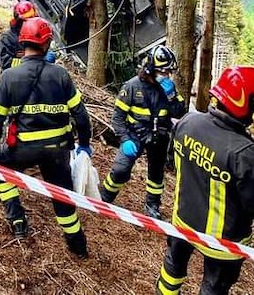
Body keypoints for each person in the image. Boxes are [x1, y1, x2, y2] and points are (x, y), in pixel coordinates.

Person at [0, 16, 93, 258]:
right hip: (57, 151)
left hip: (21, 148)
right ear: (46, 44)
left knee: (2, 172)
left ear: (23, 43)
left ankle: (17, 219)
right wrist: (84, 145)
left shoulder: (10, 77)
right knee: (63, 197)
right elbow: (81, 116)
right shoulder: (61, 76)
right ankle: (77, 246)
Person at [156, 66, 254, 295]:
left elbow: (171, 161)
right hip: (222, 242)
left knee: (172, 270)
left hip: (183, 220)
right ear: (243, 103)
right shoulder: (244, 152)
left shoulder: (188, 121)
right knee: (214, 288)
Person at [100, 44, 186, 219]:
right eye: (163, 72)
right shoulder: (132, 87)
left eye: (169, 72)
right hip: (134, 135)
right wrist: (125, 139)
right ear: (151, 69)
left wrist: (172, 96)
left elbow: (180, 113)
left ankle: (152, 205)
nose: (167, 76)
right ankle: (105, 197)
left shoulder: (168, 89)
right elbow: (117, 117)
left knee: (156, 174)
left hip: (159, 136)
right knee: (120, 169)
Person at [0, 1, 56, 70]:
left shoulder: (38, 33)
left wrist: (45, 56)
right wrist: (28, 63)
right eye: (27, 20)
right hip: (17, 76)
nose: (31, 22)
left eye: (32, 18)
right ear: (18, 21)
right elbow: (5, 63)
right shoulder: (7, 38)